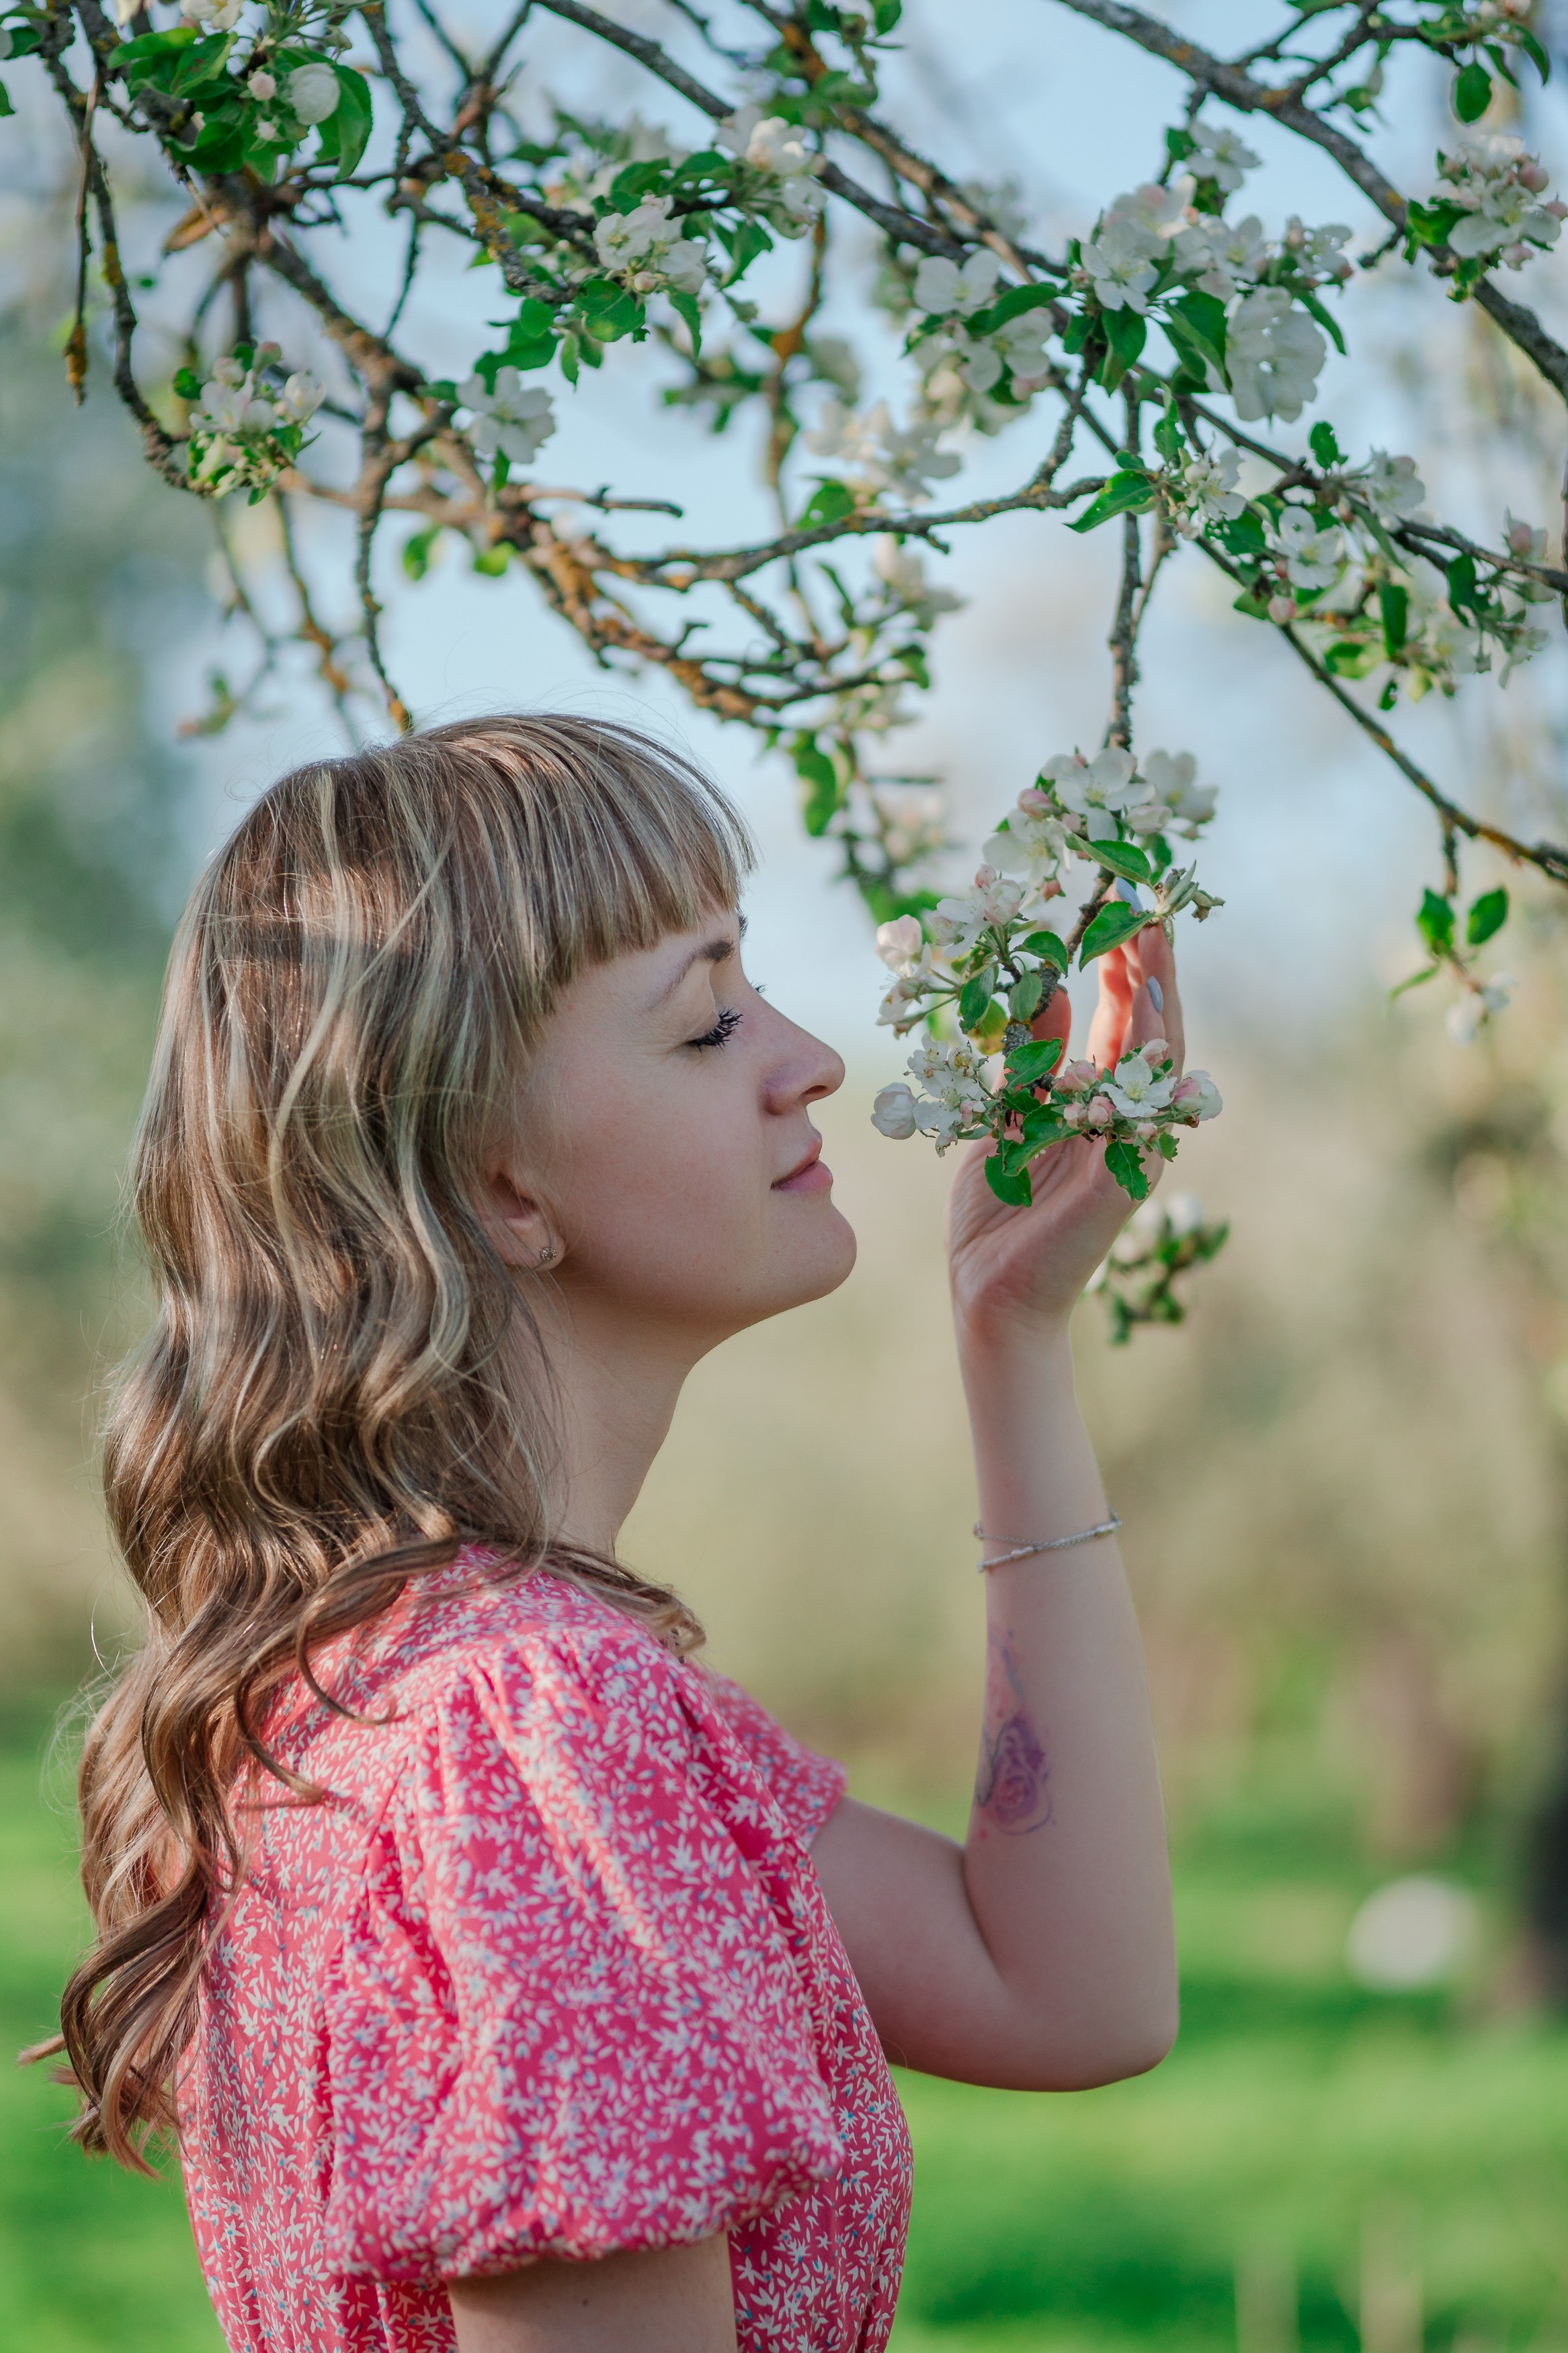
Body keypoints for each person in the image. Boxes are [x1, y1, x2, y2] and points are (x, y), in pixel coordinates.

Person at [45, 714, 1179, 2353]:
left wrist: (1010, 1337)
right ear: (500, 1180)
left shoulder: (413, 1690)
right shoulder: (526, 1738)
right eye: (710, 1021)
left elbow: (1069, 1991)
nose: (812, 1057)